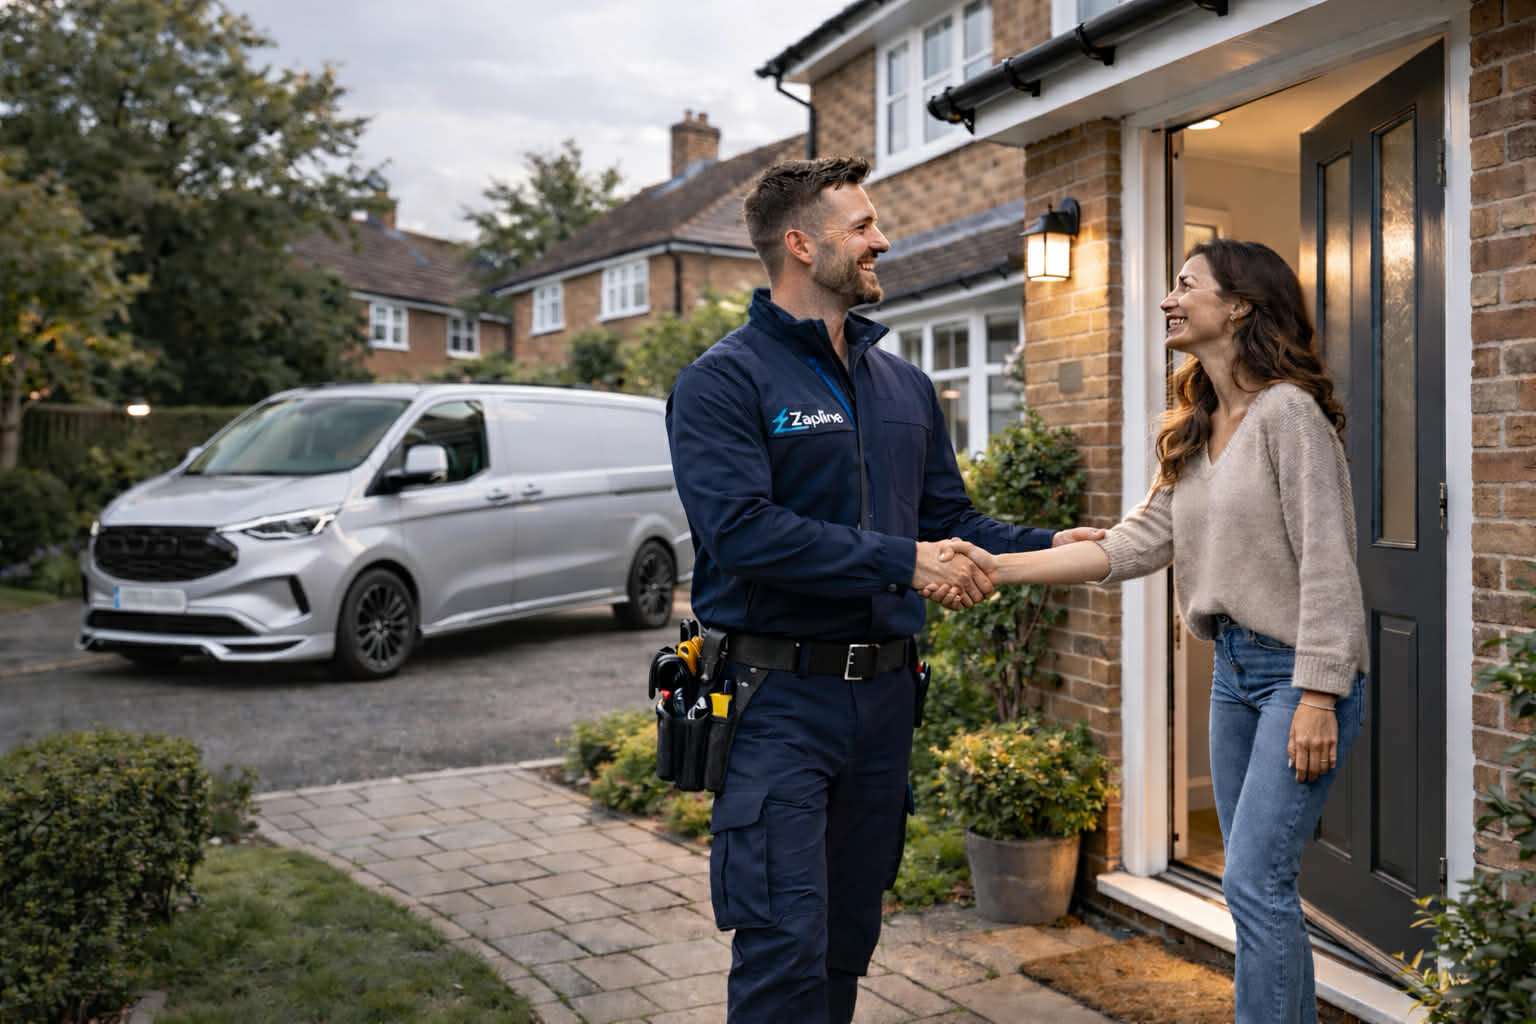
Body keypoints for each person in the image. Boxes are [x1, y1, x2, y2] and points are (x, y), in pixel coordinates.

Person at [664, 155, 1104, 1024]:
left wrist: (1050, 543)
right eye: (863, 226)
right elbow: (741, 532)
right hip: (776, 702)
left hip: (885, 703)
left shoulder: (903, 385)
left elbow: (950, 521)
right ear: (801, 244)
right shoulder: (725, 379)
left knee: (844, 939)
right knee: (784, 947)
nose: (883, 241)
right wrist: (904, 562)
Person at [933, 238, 1367, 1024]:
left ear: (1239, 305)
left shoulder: (1288, 415)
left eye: (1185, 285)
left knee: (1254, 882)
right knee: (1255, 882)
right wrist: (996, 566)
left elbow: (1331, 565)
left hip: (1296, 678)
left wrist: (1318, 695)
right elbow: (1133, 543)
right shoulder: (1197, 427)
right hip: (1236, 674)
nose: (1168, 299)